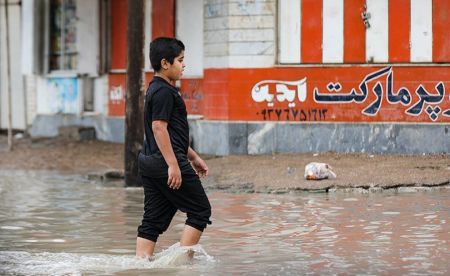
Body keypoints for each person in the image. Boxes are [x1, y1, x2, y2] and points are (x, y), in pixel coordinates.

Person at [136, 37, 212, 259]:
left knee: (152, 220)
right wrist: (174, 165)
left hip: (149, 162)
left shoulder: (155, 89)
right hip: (166, 162)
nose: (184, 65)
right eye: (180, 60)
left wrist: (194, 157)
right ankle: (182, 266)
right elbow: (159, 128)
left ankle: (141, 267)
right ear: (165, 63)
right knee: (200, 210)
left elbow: (171, 134)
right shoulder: (165, 92)